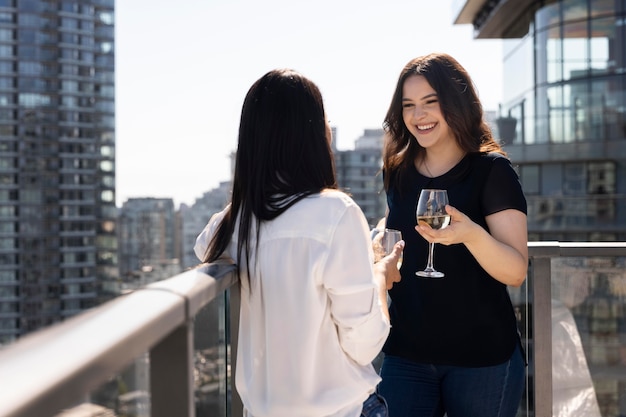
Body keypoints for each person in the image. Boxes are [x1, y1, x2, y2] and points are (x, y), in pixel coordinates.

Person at [194, 69, 403, 417]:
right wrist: (380, 275)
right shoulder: (336, 212)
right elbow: (363, 344)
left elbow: (205, 246)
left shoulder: (242, 220)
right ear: (311, 133)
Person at [376, 52, 528, 417]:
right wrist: (378, 239)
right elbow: (392, 224)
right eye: (408, 105)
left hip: (482, 359)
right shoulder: (397, 171)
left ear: (456, 103)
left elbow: (516, 271)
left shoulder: (493, 171)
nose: (418, 115)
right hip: (406, 353)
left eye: (431, 102)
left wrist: (471, 234)